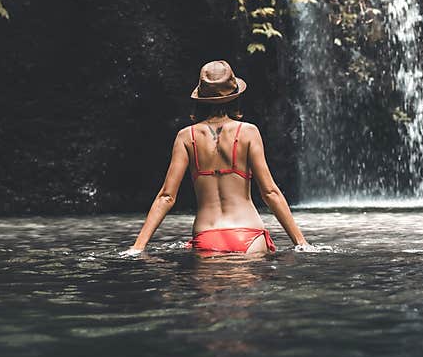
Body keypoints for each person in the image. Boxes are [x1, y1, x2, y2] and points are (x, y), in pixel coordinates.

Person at [125, 60, 310, 256]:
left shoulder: (186, 137)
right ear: (234, 97)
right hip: (248, 233)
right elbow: (270, 193)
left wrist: (138, 247)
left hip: (207, 236)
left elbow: (166, 196)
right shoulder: (248, 132)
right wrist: (301, 242)